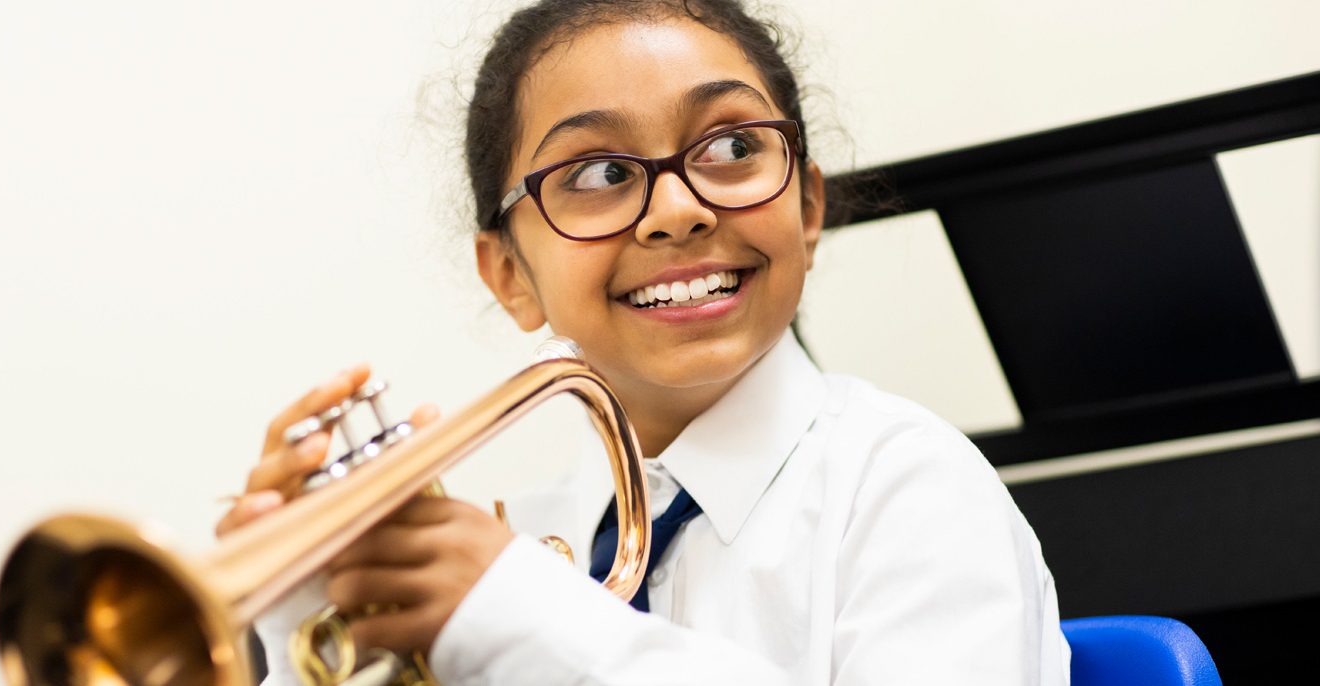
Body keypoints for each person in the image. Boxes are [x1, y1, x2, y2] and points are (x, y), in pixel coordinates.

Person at [217, 0, 1070, 683]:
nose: (677, 209)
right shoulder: (531, 537)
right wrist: (312, 627)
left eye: (733, 146)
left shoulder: (908, 490)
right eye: (599, 173)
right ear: (510, 273)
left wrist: (537, 625)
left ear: (807, 211)